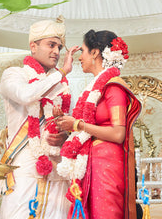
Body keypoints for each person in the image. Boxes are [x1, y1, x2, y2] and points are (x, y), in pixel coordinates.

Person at [54, 30, 141, 219]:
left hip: (108, 164)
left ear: (95, 53)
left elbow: (118, 134)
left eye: (83, 51)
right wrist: (69, 125)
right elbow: (88, 128)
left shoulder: (113, 86)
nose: (80, 58)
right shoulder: (94, 88)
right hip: (94, 160)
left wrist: (77, 124)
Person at [0, 16, 78, 219]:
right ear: (33, 46)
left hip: (57, 169)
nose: (56, 52)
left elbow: (73, 126)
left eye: (59, 47)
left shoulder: (64, 88)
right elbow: (27, 95)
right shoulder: (13, 74)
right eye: (51, 45)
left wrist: (65, 136)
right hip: (24, 166)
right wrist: (60, 73)